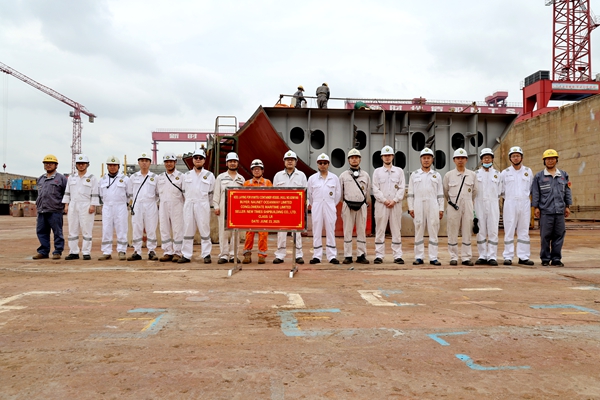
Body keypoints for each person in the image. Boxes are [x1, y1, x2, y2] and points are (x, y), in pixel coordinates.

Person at [531, 149, 572, 267]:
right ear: (544, 161)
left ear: (556, 160)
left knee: (559, 235)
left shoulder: (563, 175)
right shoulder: (539, 176)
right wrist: (536, 207)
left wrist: (567, 206)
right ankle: (545, 258)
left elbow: (567, 191)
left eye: (552, 159)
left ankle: (556, 258)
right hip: (545, 211)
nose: (550, 161)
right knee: (545, 236)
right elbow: (536, 193)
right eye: (548, 159)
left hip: (560, 211)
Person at [408, 148, 444, 265]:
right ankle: (419, 257)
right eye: (424, 158)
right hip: (418, 204)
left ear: (432, 160)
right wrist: (410, 207)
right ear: (420, 160)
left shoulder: (436, 175)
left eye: (429, 158)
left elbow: (440, 193)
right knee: (419, 229)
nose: (426, 160)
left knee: (433, 230)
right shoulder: (414, 175)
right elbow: (410, 193)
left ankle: (433, 257)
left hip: (433, 204)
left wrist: (441, 208)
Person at [179, 148, 215, 264]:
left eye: (200, 158)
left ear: (204, 160)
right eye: (196, 158)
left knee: (204, 229)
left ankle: (206, 254)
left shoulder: (209, 175)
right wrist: (189, 201)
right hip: (189, 203)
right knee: (187, 229)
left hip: (203, 204)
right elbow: (183, 192)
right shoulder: (186, 175)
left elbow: (211, 194)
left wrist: (206, 204)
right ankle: (186, 254)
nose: (198, 160)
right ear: (193, 160)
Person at [272, 150, 308, 264]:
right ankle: (280, 255)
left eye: (292, 160)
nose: (290, 162)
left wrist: (304, 207)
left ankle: (298, 255)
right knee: (281, 233)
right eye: (287, 160)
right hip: (282, 209)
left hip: (296, 209)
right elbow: (274, 193)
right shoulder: (278, 176)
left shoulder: (301, 175)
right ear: (284, 162)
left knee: (297, 233)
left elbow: (306, 193)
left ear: (296, 162)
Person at [501, 146, 534, 265]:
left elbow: (531, 188)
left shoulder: (528, 171)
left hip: (524, 203)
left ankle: (523, 256)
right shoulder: (505, 173)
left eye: (518, 156)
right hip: (510, 202)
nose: (516, 158)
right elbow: (502, 190)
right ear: (510, 158)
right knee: (509, 229)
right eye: (513, 156)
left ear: (522, 158)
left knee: (524, 230)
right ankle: (508, 256)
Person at [443, 148, 477, 266]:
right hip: (453, 205)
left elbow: (475, 191)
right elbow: (445, 191)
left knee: (467, 230)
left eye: (463, 158)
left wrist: (467, 200)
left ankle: (466, 257)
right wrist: (452, 201)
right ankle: (453, 256)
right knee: (452, 230)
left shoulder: (472, 175)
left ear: (466, 160)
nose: (460, 160)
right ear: (454, 160)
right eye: (458, 158)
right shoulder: (448, 175)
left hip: (468, 204)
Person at [63, 154, 99, 260]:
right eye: (79, 163)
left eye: (83, 163)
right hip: (73, 205)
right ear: (76, 165)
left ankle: (86, 252)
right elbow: (67, 192)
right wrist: (66, 205)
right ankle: (73, 252)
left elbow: (95, 193)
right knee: (72, 229)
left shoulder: (92, 178)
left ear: (87, 165)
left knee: (86, 229)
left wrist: (93, 205)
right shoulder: (71, 178)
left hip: (86, 205)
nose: (81, 165)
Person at [372, 145, 405, 264]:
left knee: (396, 229)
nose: (387, 157)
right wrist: (384, 200)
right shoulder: (377, 172)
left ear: (393, 156)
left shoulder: (399, 171)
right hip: (382, 205)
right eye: (385, 155)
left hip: (395, 205)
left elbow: (402, 188)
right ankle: (379, 255)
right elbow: (375, 189)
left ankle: (397, 256)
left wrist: (395, 200)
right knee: (380, 229)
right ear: (381, 157)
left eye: (389, 155)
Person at [307, 153, 341, 264]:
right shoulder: (312, 179)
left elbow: (337, 195)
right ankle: (317, 256)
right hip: (317, 205)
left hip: (330, 205)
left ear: (328, 164)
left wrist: (330, 204)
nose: (323, 165)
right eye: (320, 163)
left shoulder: (334, 178)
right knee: (316, 230)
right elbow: (310, 195)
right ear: (317, 164)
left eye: (325, 163)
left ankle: (332, 256)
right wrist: (316, 204)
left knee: (330, 229)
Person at [339, 149, 371, 264]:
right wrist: (345, 203)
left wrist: (365, 203)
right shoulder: (343, 176)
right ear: (348, 160)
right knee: (347, 231)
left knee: (361, 230)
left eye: (356, 157)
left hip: (361, 205)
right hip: (348, 205)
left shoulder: (365, 175)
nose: (354, 159)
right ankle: (348, 255)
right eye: (352, 158)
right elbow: (340, 193)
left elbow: (368, 191)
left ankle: (361, 255)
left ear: (360, 159)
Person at [33, 154, 68, 260]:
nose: (48, 165)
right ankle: (43, 251)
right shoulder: (41, 178)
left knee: (57, 232)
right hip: (42, 210)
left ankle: (57, 251)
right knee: (41, 231)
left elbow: (66, 194)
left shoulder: (61, 179)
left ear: (56, 165)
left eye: (51, 163)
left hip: (55, 210)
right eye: (46, 163)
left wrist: (66, 206)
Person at [213, 152, 245, 264]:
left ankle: (233, 255)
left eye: (234, 161)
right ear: (226, 163)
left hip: (237, 208)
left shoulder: (241, 179)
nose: (232, 163)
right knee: (223, 232)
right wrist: (216, 206)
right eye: (230, 161)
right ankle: (224, 255)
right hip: (223, 207)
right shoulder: (221, 178)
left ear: (237, 163)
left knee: (236, 233)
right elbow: (216, 194)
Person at [127, 152, 159, 261]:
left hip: (151, 204)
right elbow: (130, 192)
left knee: (151, 228)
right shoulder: (133, 177)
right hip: (137, 205)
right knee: (137, 227)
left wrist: (151, 201)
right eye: (142, 161)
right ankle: (137, 251)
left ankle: (152, 251)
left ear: (150, 163)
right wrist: (136, 202)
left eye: (146, 161)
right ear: (138, 163)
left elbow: (157, 193)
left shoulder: (155, 177)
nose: (144, 163)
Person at [98, 156, 130, 261]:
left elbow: (129, 194)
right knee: (106, 228)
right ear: (107, 166)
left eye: (114, 165)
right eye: (110, 165)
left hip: (121, 206)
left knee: (122, 229)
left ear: (118, 167)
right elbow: (101, 194)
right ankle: (106, 252)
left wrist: (124, 203)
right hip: (107, 206)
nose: (112, 167)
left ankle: (122, 251)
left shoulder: (125, 179)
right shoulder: (102, 180)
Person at [474, 148, 502, 266]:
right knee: (480, 230)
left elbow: (500, 191)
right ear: (481, 160)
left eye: (489, 157)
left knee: (493, 230)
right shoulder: (475, 174)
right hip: (479, 203)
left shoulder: (497, 174)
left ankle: (492, 256)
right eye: (485, 158)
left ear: (492, 159)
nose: (487, 159)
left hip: (493, 204)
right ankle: (482, 255)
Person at [242, 159, 273, 264]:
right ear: (251, 170)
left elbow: (272, 198)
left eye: (258, 169)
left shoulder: (268, 183)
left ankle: (262, 255)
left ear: (262, 170)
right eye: (254, 169)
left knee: (263, 234)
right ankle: (247, 255)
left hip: (263, 213)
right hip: (250, 213)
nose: (256, 171)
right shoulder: (247, 183)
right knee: (249, 234)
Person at [157, 152, 184, 262]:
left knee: (178, 229)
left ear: (175, 162)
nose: (169, 164)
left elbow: (185, 193)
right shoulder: (160, 177)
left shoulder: (181, 176)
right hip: (163, 205)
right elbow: (156, 193)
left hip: (177, 205)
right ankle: (167, 252)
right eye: (166, 162)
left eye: (171, 162)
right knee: (164, 228)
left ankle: (177, 252)